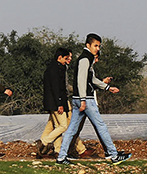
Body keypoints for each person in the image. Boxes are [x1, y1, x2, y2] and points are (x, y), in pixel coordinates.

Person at [56, 33, 130, 165]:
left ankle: (61, 157)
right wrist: (83, 100)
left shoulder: (88, 58)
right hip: (86, 100)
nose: (97, 48)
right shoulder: (85, 59)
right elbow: (81, 80)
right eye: (95, 45)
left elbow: (92, 79)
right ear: (88, 45)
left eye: (99, 46)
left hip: (80, 99)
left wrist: (107, 87)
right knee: (101, 126)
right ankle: (113, 155)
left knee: (72, 129)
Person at [36, 48, 85, 159]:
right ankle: (43, 142)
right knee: (63, 126)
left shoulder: (53, 68)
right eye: (66, 58)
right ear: (60, 57)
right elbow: (57, 88)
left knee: (57, 125)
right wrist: (60, 104)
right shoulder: (56, 69)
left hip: (54, 102)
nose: (68, 60)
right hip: (57, 102)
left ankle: (57, 150)